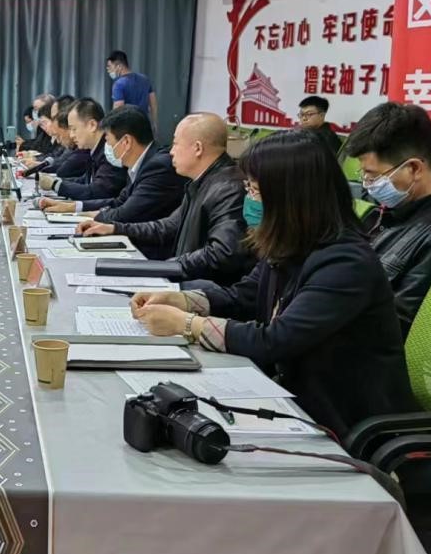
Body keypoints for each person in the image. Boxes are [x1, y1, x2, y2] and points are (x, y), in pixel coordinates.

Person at [131, 130, 416, 439]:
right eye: (248, 188)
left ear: (291, 198)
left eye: (255, 191)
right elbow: (244, 296)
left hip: (344, 422)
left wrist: (188, 324)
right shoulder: (291, 245)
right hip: (291, 397)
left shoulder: (346, 264)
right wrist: (183, 301)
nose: (249, 200)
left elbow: (275, 340)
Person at [343, 101, 431, 331]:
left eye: (373, 175)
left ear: (414, 169)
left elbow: (395, 329)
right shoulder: (397, 214)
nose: (368, 185)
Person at [77, 113, 253, 281]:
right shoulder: (201, 182)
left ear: (198, 148)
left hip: (201, 289)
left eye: (176, 144)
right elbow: (168, 226)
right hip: (186, 279)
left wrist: (167, 267)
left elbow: (222, 253)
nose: (171, 152)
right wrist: (115, 229)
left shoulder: (228, 188)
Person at [39, 107, 186, 224]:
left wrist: (77, 215)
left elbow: (125, 213)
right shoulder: (140, 163)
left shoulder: (158, 166)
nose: (107, 146)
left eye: (108, 141)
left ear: (126, 142)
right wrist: (71, 207)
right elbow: (118, 202)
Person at [41, 98, 128, 203]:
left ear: (92, 125)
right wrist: (56, 181)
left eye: (74, 129)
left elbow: (99, 191)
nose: (71, 135)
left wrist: (56, 185)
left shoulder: (110, 150)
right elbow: (85, 180)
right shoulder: (95, 149)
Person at [107, 50, 157, 125]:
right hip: (145, 124)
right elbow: (153, 103)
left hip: (128, 126)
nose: (108, 70)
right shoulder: (145, 79)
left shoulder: (118, 84)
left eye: (110, 66)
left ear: (119, 66)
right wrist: (154, 123)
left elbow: (118, 110)